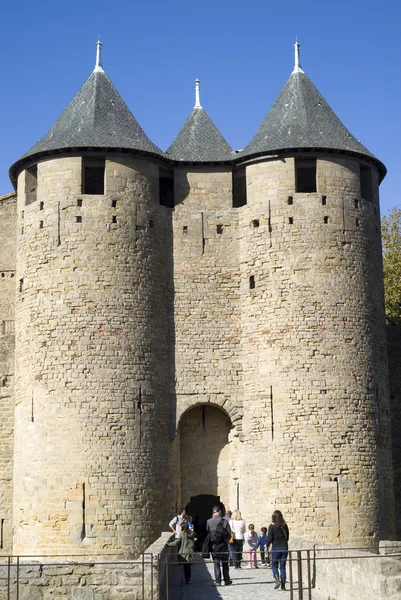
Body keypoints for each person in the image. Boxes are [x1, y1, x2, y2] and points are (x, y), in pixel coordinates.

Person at [206, 506, 232, 587]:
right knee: (225, 563)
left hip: (214, 546)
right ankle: (227, 580)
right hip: (224, 545)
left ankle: (218, 581)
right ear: (219, 512)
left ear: (213, 512)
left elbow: (207, 531)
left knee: (216, 563)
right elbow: (229, 533)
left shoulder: (209, 521)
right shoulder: (225, 521)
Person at [266, 510, 290, 590]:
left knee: (274, 565)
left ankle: (277, 580)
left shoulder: (271, 526)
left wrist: (267, 544)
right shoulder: (284, 525)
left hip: (276, 548)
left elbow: (270, 538)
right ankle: (283, 585)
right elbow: (287, 537)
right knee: (283, 567)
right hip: (284, 547)